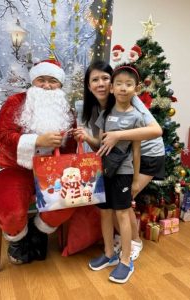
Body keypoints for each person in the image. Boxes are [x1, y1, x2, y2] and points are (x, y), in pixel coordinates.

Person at [73, 61, 165, 282]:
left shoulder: (134, 107)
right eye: (95, 80)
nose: (102, 84)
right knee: (107, 210)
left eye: (105, 78)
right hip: (108, 166)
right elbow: (102, 144)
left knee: (123, 208)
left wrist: (119, 138)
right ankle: (110, 253)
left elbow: (152, 133)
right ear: (88, 85)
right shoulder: (104, 111)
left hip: (143, 158)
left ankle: (129, 253)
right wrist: (87, 137)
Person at [0, 59, 78, 265]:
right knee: (11, 209)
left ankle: (38, 232)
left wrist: (78, 138)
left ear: (59, 84)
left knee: (69, 201)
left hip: (52, 170)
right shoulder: (15, 102)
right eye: (41, 80)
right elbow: (2, 136)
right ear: (33, 81)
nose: (47, 85)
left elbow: (69, 147)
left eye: (52, 81)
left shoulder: (65, 109)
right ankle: (18, 240)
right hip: (16, 167)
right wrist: (37, 141)